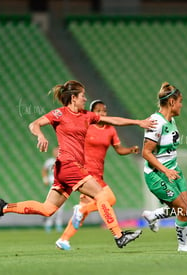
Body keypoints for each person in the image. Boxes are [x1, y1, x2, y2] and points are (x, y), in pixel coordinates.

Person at [0, 80, 155, 249]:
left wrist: (138, 122)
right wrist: (40, 136)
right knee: (102, 195)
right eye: (82, 96)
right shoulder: (59, 114)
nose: (85, 99)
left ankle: (4, 207)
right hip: (69, 165)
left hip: (65, 170)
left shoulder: (86, 116)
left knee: (48, 209)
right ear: (73, 98)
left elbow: (112, 120)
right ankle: (119, 235)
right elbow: (34, 124)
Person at [55, 99, 140, 250]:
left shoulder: (110, 130)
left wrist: (130, 150)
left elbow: (119, 149)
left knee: (84, 209)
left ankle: (64, 239)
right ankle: (115, 233)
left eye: (104, 110)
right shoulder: (86, 126)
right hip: (86, 173)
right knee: (109, 200)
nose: (102, 113)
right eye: (98, 110)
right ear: (92, 112)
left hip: (99, 174)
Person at [141, 82, 187, 252]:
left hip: (174, 171)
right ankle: (183, 246)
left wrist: (172, 169)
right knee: (181, 207)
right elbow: (146, 152)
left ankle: (153, 215)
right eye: (180, 101)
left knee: (185, 208)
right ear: (172, 102)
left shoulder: (171, 120)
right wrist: (166, 170)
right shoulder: (156, 122)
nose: (182, 105)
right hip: (157, 174)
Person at [42, 147, 65, 232]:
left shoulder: (63, 161)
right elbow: (44, 170)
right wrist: (45, 179)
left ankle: (58, 224)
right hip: (53, 184)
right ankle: (49, 224)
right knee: (51, 205)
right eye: (55, 151)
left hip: (62, 185)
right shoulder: (50, 161)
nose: (56, 153)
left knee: (61, 206)